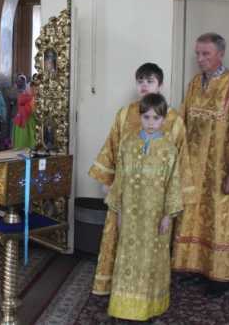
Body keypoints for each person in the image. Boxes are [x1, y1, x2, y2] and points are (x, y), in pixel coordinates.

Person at [89, 63, 195, 296]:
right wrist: (107, 180)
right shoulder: (125, 114)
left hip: (155, 200)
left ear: (160, 85)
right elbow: (112, 146)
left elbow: (180, 160)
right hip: (126, 194)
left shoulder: (174, 119)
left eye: (150, 81)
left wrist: (173, 203)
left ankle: (148, 295)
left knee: (152, 247)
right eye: (140, 81)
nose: (145, 86)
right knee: (120, 240)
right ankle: (119, 290)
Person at [172, 32, 229, 297]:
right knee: (194, 217)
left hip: (222, 169)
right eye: (197, 53)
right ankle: (196, 269)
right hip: (194, 169)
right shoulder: (195, 83)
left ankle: (221, 277)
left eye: (205, 53)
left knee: (220, 220)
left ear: (220, 54)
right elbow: (182, 121)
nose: (200, 59)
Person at [105, 93, 182, 321]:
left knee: (151, 261)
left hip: (155, 216)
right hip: (130, 213)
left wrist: (168, 215)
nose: (151, 122)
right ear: (140, 116)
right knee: (127, 258)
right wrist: (119, 211)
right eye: (146, 117)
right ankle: (123, 307)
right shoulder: (127, 144)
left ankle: (149, 307)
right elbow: (120, 179)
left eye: (156, 118)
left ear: (164, 119)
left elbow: (173, 184)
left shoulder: (169, 149)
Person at [12, 79, 36, 150]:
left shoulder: (23, 96)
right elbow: (32, 109)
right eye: (33, 88)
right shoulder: (30, 98)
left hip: (23, 120)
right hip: (26, 121)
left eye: (35, 88)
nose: (34, 90)